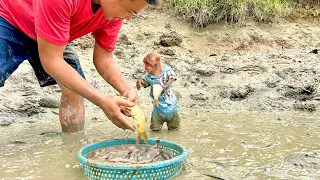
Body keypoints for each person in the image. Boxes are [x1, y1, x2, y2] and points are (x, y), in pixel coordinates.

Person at [0, 0, 160, 133]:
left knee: (74, 88)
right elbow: (52, 60)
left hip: (58, 30)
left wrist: (126, 89)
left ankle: (72, 147)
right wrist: (102, 101)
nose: (129, 18)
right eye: (130, 10)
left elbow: (104, 58)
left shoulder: (113, 12)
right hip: (11, 19)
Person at [136, 52, 181, 131]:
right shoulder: (149, 76)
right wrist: (139, 81)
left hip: (171, 105)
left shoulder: (167, 71)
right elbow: (146, 83)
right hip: (158, 107)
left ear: (157, 62)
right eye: (145, 64)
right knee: (155, 129)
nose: (146, 67)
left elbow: (172, 77)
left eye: (148, 64)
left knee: (174, 128)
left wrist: (165, 87)